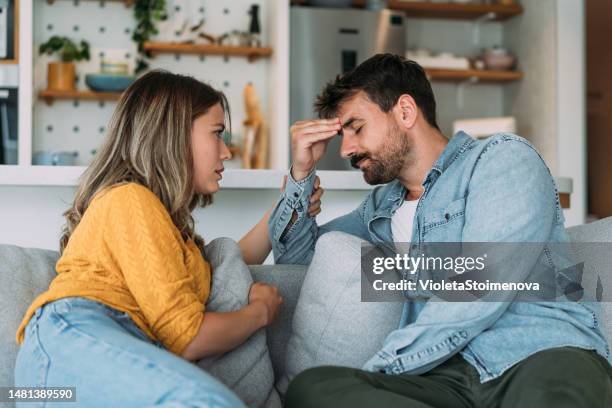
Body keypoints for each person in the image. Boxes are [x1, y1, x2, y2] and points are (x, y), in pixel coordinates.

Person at [268, 54, 612, 407]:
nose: (346, 150)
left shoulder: (501, 159)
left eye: (356, 127)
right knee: (314, 387)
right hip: (450, 376)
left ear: (404, 111)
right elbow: (298, 260)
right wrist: (300, 174)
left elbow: (481, 283)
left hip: (537, 354)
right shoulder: (380, 207)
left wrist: (384, 370)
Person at [13, 70, 323, 407]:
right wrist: (259, 313)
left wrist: (293, 191)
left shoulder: (171, 234)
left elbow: (231, 262)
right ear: (172, 135)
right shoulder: (128, 199)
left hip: (97, 345)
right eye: (217, 134)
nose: (226, 152)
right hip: (74, 337)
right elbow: (188, 338)